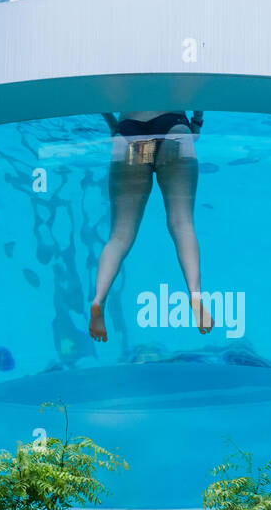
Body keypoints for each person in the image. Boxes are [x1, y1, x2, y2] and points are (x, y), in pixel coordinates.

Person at [89, 110, 211, 342]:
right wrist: (196, 123)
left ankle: (98, 300)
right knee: (182, 223)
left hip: (129, 133)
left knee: (119, 236)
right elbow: (197, 87)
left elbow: (101, 101)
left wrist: (114, 126)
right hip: (173, 127)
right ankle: (195, 295)